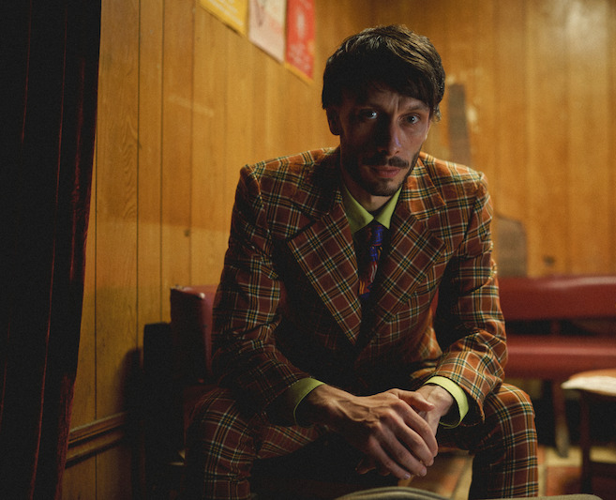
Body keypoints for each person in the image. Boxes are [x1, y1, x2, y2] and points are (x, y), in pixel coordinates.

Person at [184, 24, 538, 499]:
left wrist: (432, 401)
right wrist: (336, 405)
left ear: (431, 121)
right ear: (336, 116)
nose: (391, 143)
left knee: (512, 410)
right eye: (370, 115)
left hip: (410, 384)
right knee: (216, 421)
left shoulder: (462, 195)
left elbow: (481, 335)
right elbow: (239, 344)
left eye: (411, 119)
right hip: (305, 390)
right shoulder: (270, 190)